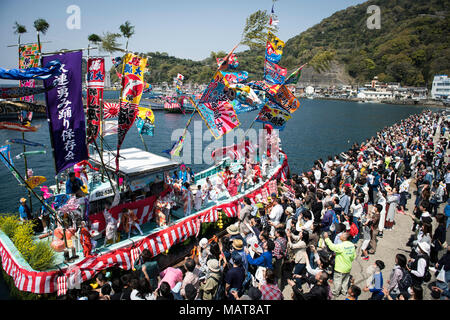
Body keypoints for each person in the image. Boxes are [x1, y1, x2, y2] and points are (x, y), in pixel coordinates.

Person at [323, 231, 356, 298]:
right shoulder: (352, 245)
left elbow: (332, 247)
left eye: (342, 235)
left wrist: (326, 238)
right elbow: (353, 257)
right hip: (348, 267)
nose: (340, 235)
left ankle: (336, 293)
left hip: (340, 268)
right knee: (345, 281)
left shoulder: (341, 246)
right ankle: (344, 291)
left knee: (338, 281)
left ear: (344, 238)